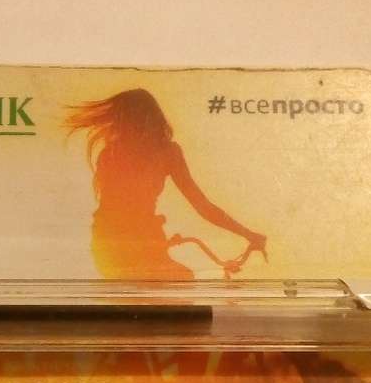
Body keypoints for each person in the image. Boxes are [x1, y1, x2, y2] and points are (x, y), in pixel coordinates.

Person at [65, 88, 266, 280]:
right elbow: (202, 205)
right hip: (132, 243)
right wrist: (249, 234)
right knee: (180, 281)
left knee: (174, 284)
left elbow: (114, 208)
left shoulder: (113, 153)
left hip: (114, 242)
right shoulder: (162, 152)